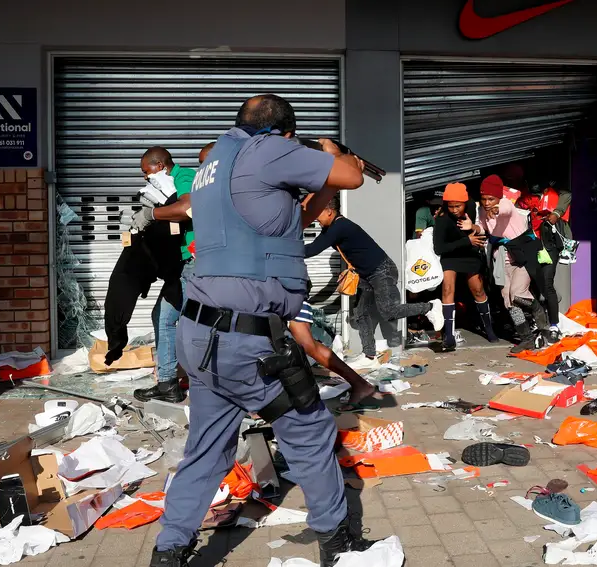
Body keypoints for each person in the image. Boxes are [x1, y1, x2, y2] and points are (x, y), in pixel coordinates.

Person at [150, 94, 375, 567]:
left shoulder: (216, 162)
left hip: (200, 336)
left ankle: (169, 550)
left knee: (206, 448)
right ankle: (338, 542)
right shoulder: (269, 149)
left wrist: (322, 185)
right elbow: (352, 176)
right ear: (284, 132)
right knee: (310, 432)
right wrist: (333, 155)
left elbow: (292, 223)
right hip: (245, 340)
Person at [305, 197, 444, 370]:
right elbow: (312, 247)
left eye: (317, 213)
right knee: (361, 313)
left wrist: (282, 249)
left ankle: (430, 307)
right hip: (366, 275)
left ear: (329, 211)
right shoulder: (331, 227)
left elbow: (311, 250)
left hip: (381, 270)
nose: (315, 218)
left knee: (388, 310)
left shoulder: (339, 226)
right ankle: (369, 356)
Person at [111, 146, 194, 403]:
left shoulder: (184, 177)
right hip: (183, 264)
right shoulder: (166, 185)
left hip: (194, 264)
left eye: (146, 172)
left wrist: (152, 214)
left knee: (178, 320)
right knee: (163, 316)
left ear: (160, 166)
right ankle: (169, 380)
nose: (145, 177)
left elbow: (186, 208)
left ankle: (173, 383)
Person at [476, 175, 549, 353]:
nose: (487, 203)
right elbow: (481, 226)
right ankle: (526, 338)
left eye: (491, 199)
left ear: (498, 197)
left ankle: (537, 308)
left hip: (522, 255)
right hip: (503, 258)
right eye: (484, 199)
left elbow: (504, 210)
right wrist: (473, 227)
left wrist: (496, 209)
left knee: (517, 293)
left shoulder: (506, 205)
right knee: (508, 299)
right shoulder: (481, 210)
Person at [433, 182, 498, 350]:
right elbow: (439, 248)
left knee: (478, 289)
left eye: (458, 206)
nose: (454, 210)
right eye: (451, 206)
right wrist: (466, 241)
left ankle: (489, 328)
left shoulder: (471, 206)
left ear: (465, 202)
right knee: (448, 289)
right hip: (450, 255)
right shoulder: (442, 219)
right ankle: (449, 335)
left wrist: (472, 234)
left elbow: (480, 228)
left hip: (469, 254)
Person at [517, 180, 571, 344]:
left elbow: (567, 195)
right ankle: (538, 320)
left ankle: (554, 325)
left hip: (549, 245)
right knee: (533, 285)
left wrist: (556, 213)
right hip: (530, 245)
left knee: (547, 283)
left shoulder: (555, 195)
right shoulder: (524, 199)